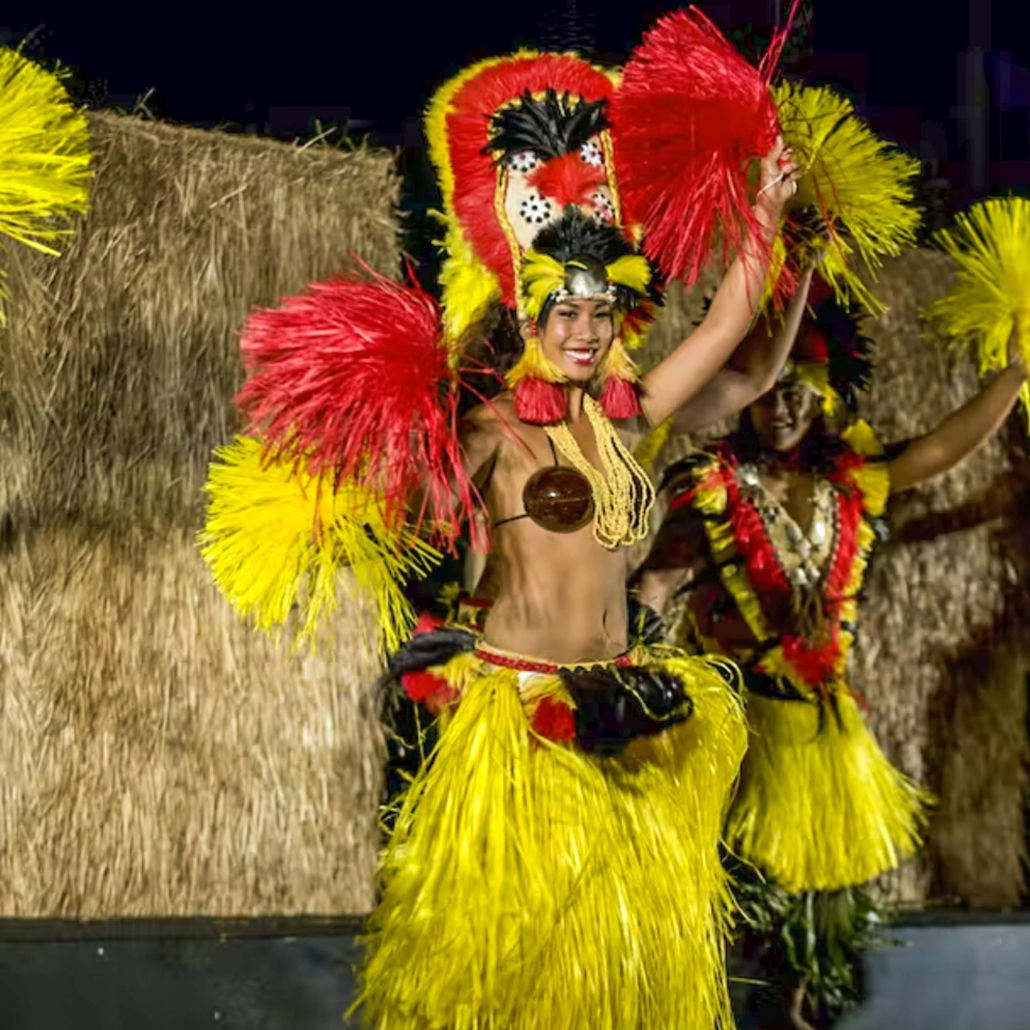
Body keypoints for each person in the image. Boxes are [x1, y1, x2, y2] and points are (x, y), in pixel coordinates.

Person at [202, 18, 803, 1030]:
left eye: (597, 310)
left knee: (620, 980)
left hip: (630, 713)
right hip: (524, 729)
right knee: (526, 974)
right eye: (559, 311)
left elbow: (727, 327)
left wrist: (765, 217)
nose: (580, 329)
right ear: (526, 316)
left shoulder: (632, 418)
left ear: (616, 315)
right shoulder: (484, 433)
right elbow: (391, 499)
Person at [633, 284, 1029, 1028]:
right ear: (742, 399)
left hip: (828, 741)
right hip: (746, 743)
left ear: (825, 397)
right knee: (751, 920)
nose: (781, 409)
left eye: (798, 394)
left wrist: (1016, 375)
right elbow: (655, 579)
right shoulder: (712, 490)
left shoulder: (850, 482)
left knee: (822, 937)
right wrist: (640, 679)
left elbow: (942, 449)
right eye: (767, 395)